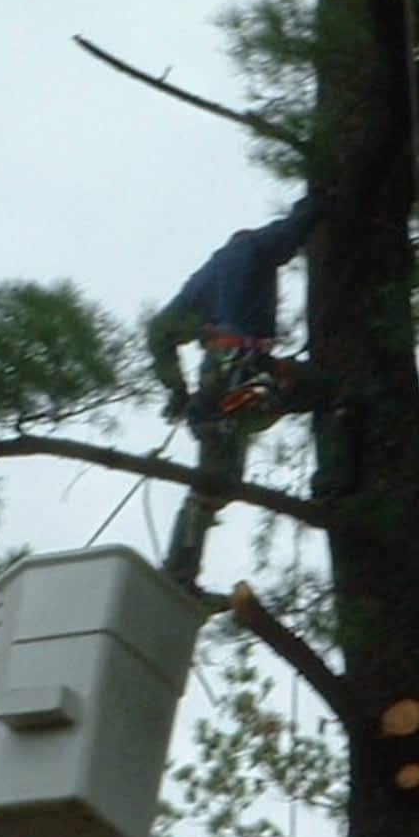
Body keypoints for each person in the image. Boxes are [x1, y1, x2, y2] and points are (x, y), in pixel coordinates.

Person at [146, 194, 330, 587]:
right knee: (329, 392)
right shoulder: (256, 248)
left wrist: (177, 390)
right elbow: (293, 231)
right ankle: (332, 487)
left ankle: (180, 574)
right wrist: (318, 200)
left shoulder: (206, 278)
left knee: (213, 483)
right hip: (247, 368)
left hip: (215, 376)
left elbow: (160, 331)